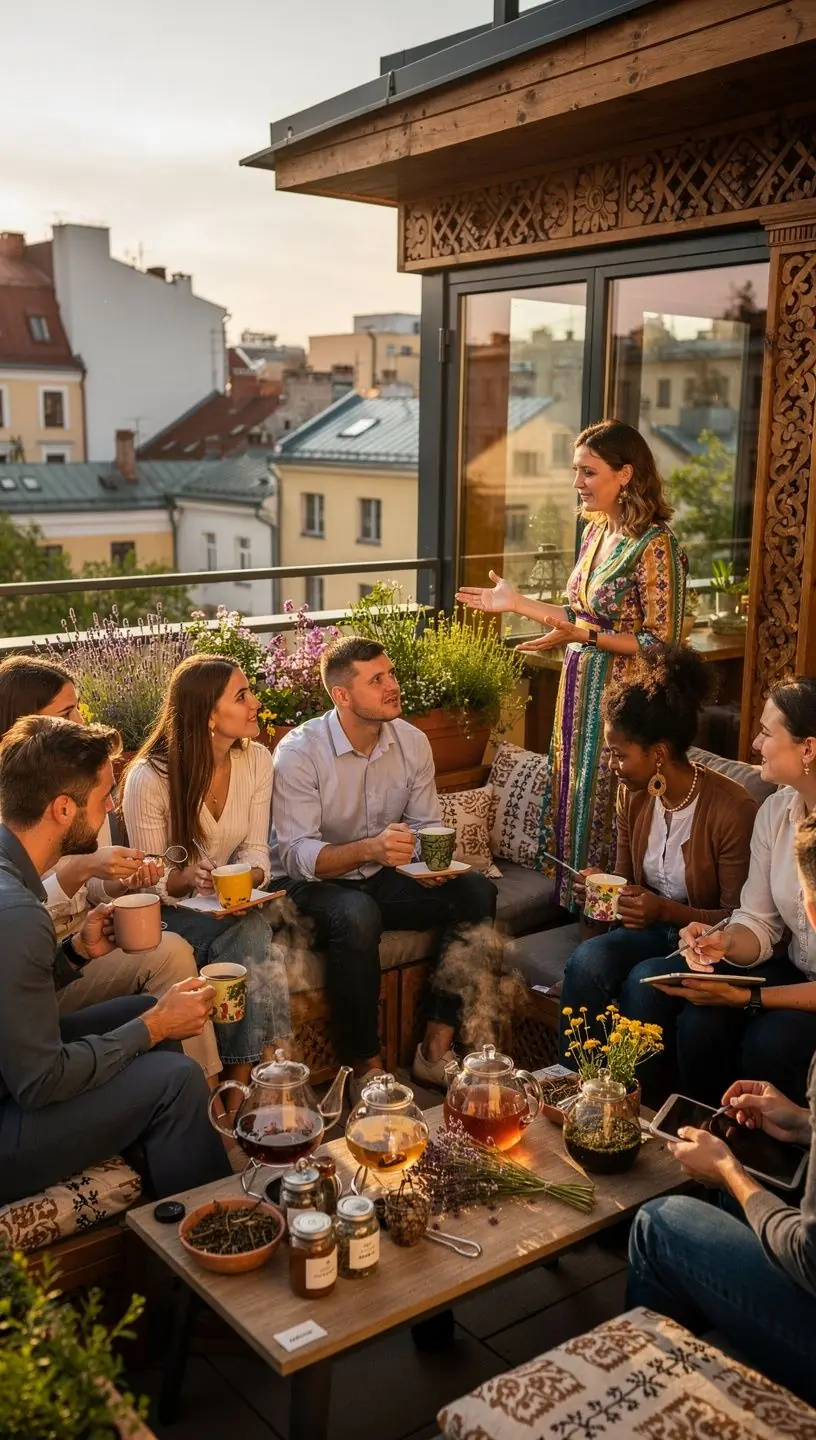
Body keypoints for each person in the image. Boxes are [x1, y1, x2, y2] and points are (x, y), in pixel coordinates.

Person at [626, 807, 816, 1407]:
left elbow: (807, 1257)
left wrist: (729, 1174)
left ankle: (653, 1408)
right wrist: (806, 1124)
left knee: (659, 1225)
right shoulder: (776, 811)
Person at [457, 419, 686, 911]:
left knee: (610, 803)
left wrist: (585, 635)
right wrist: (516, 603)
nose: (577, 483)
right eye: (575, 471)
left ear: (625, 474)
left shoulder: (656, 544)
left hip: (624, 699)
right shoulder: (595, 533)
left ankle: (609, 918)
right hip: (579, 690)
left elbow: (662, 643)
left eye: (588, 472)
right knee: (574, 793)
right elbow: (580, 616)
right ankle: (573, 912)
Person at [0, 714, 230, 1204]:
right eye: (104, 796)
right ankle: (206, 1235)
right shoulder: (17, 912)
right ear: (63, 808)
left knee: (134, 1010)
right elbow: (42, 1081)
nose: (111, 807)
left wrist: (75, 955)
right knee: (177, 1076)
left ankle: (166, 1188)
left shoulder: (9, 877)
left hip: (8, 1073)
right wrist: (156, 1027)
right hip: (11, 1115)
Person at [269, 637, 498, 1088]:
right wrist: (370, 848)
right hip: (308, 886)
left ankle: (436, 1046)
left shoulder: (412, 742)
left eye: (390, 673)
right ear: (342, 695)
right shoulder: (299, 752)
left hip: (380, 877)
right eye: (377, 680)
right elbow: (296, 856)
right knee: (357, 913)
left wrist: (429, 868)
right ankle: (365, 1066)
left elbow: (424, 825)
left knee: (476, 892)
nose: (393, 685)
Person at [0, 654, 220, 1080]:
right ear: (25, 722)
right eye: (67, 712)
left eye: (78, 705)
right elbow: (20, 928)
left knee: (169, 950)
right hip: (34, 971)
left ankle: (205, 1093)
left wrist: (118, 882)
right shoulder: (19, 801)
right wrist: (81, 869)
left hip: (74, 948)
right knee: (172, 956)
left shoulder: (81, 779)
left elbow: (93, 893)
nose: (80, 718)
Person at [559, 645, 757, 1103]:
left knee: (643, 980)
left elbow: (738, 917)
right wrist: (603, 890)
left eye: (619, 755)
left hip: (710, 945)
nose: (612, 767)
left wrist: (663, 910)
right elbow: (631, 886)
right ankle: (572, 1087)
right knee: (587, 962)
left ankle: (636, 1109)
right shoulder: (637, 793)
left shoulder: (732, 809)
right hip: (656, 931)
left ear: (660, 752)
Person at [122, 654, 290, 1087]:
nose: (255, 702)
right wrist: (187, 876)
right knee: (255, 937)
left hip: (231, 906)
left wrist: (242, 881)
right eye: (242, 695)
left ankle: (238, 1088)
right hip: (172, 914)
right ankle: (259, 1075)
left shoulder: (256, 761)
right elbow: (150, 877)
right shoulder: (150, 777)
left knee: (250, 929)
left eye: (250, 691)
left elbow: (257, 852)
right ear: (208, 715)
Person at [659, 676, 816, 1106]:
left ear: (808, 748)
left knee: (772, 1043)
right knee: (700, 1018)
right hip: (797, 973)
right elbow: (758, 921)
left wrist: (749, 997)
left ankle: (771, 1163)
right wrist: (722, 941)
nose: (754, 744)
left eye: (767, 733)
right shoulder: (775, 812)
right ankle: (704, 1146)